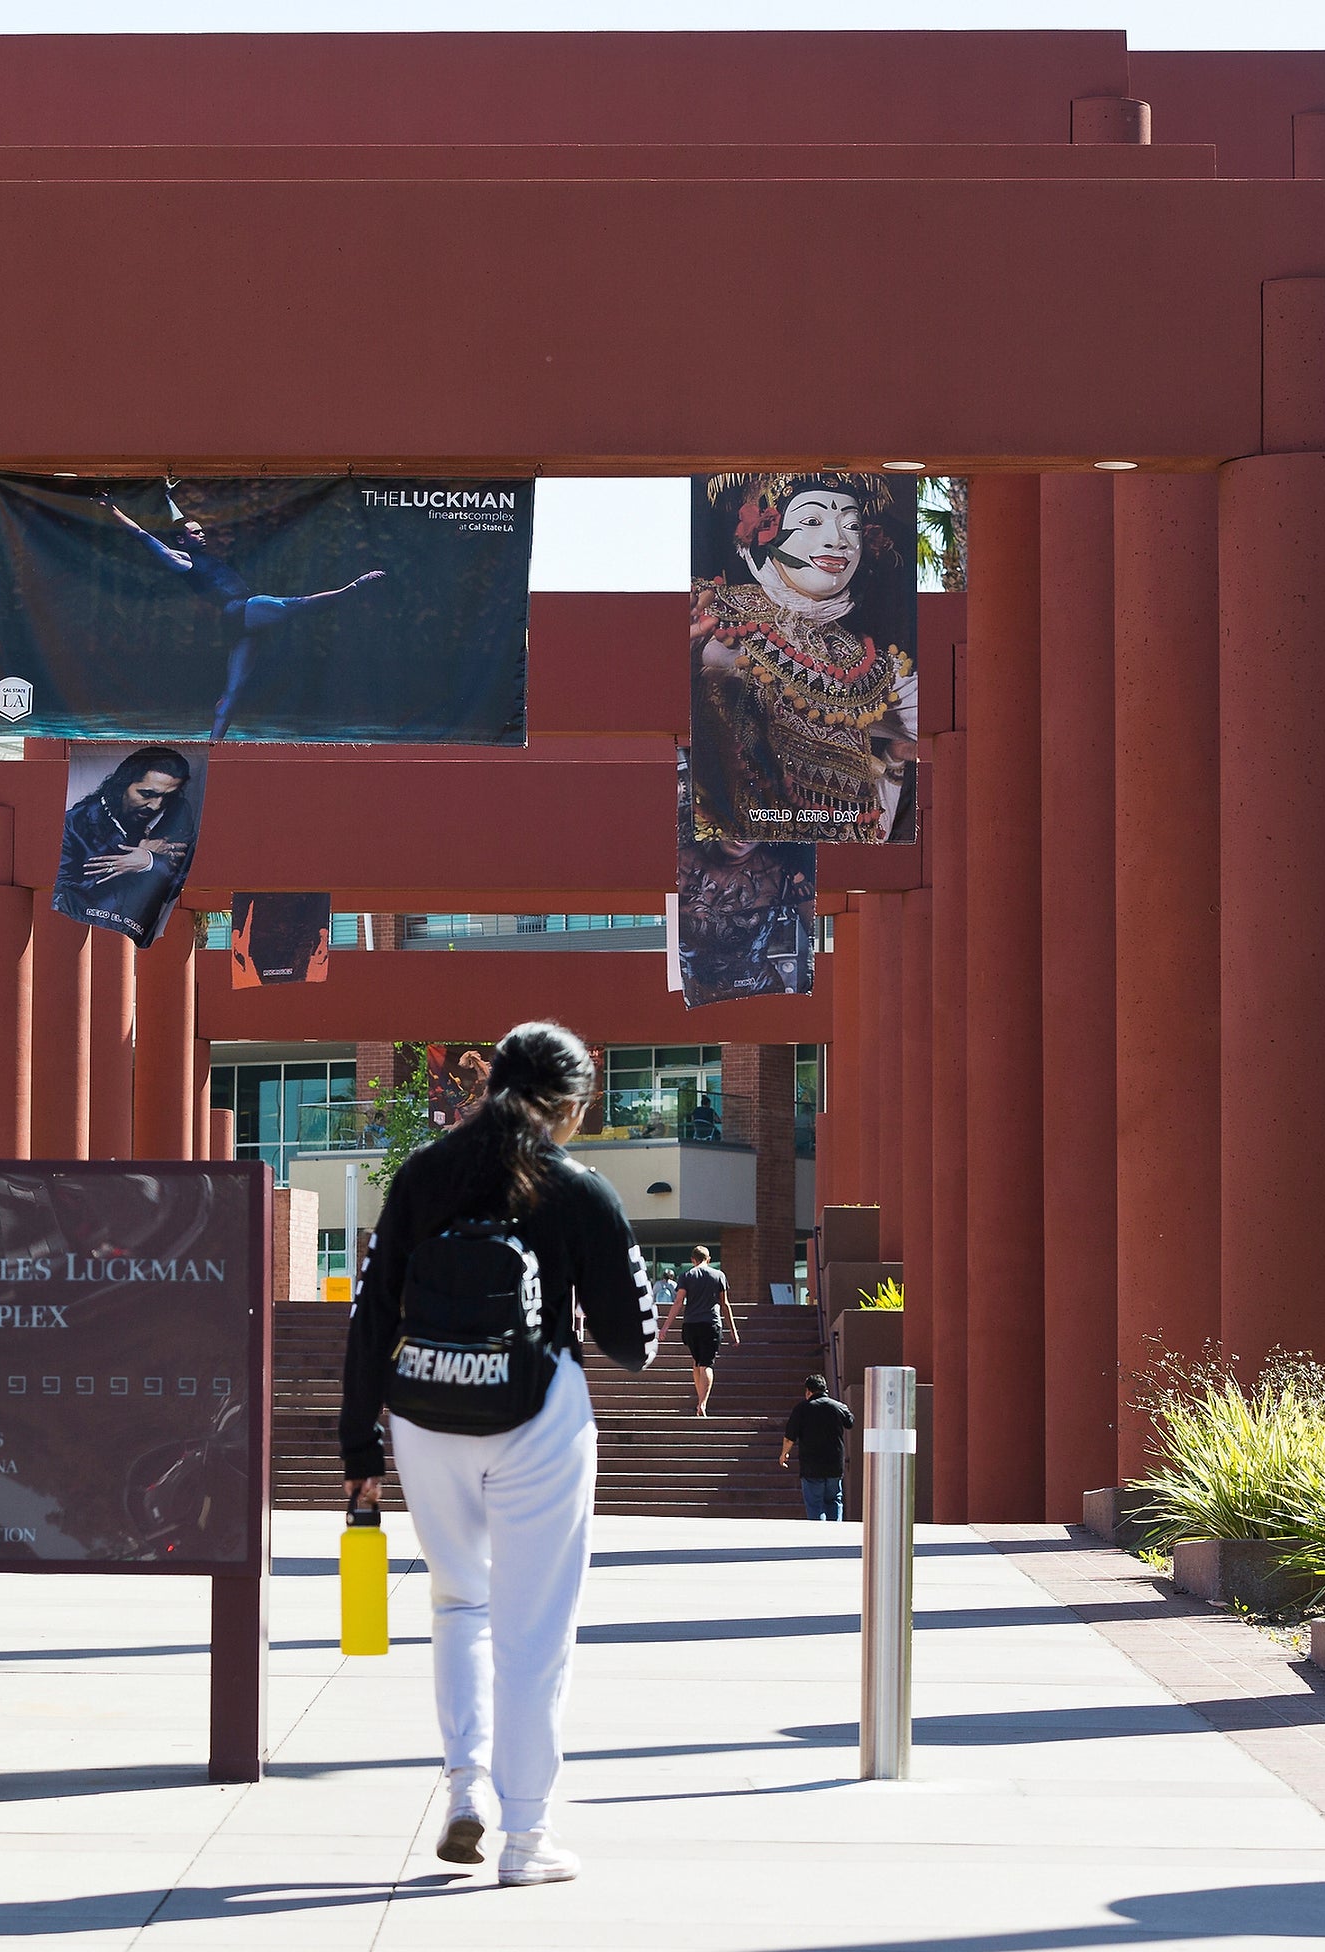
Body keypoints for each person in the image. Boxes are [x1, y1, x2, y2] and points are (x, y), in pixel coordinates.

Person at [339, 1021, 656, 1886]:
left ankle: (465, 1791)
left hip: (423, 1413)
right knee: (535, 1631)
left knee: (459, 1605)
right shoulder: (577, 1187)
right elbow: (639, 1339)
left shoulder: (424, 1174)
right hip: (538, 1417)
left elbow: (371, 1311)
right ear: (573, 1105)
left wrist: (356, 1440)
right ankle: (527, 1837)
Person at [689, 472, 919, 844]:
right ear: (764, 533)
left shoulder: (872, 667)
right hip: (723, 854)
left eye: (852, 525)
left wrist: (892, 763)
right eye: (812, 521)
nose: (838, 541)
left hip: (832, 869)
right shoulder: (713, 614)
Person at [102, 486, 385, 742]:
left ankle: (213, 744)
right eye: (196, 532)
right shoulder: (178, 559)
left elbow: (180, 525)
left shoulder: (193, 549)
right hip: (242, 607)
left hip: (238, 621)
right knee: (296, 605)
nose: (202, 534)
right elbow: (142, 535)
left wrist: (167, 499)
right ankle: (352, 589)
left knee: (233, 694)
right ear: (181, 540)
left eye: (201, 530)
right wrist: (113, 510)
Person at [51, 745, 200, 947]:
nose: (156, 806)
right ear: (122, 785)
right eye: (146, 794)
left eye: (167, 796)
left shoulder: (177, 816)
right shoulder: (77, 824)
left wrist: (148, 861)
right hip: (87, 937)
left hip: (137, 936)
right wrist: (129, 867)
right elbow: (65, 894)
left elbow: (178, 882)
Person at [780, 1373, 855, 1523]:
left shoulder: (801, 1409)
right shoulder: (838, 1407)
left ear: (808, 1391)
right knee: (834, 1500)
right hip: (834, 1464)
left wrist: (784, 1454)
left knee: (815, 1505)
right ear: (825, 1390)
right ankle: (836, 1535)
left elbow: (790, 1437)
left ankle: (819, 1538)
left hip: (811, 1466)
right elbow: (850, 1422)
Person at [674, 1245, 734, 1416]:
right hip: (711, 1324)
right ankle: (703, 1403)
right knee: (706, 1364)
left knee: (696, 1361)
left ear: (693, 1260)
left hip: (691, 1324)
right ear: (709, 1259)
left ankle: (700, 1399)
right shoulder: (719, 1275)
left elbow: (678, 1302)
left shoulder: (686, 1276)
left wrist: (664, 1327)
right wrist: (733, 1331)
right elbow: (724, 1304)